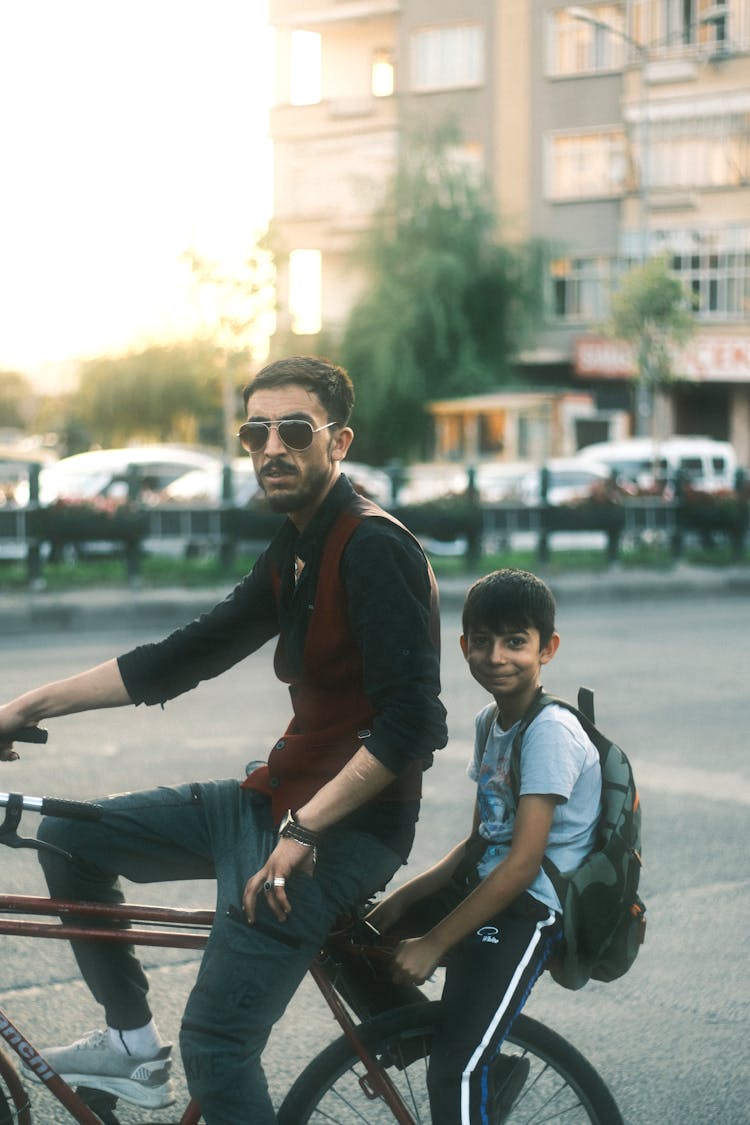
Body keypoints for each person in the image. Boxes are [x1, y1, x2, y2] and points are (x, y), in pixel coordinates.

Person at [0, 355, 447, 1125]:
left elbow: (413, 726)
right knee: (69, 835)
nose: (272, 447)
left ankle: (175, 1051)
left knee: (215, 1043)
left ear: (338, 441)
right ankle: (132, 1046)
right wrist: (26, 705)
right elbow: (187, 654)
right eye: (255, 430)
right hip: (268, 800)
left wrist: (308, 826)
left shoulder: (374, 547)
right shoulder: (299, 544)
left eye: (295, 430)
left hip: (340, 831)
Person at [366, 568, 602, 1125]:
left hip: (529, 906)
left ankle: (471, 1061)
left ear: (548, 649)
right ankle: (433, 1041)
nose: (496, 656)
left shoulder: (549, 732)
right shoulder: (490, 721)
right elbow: (480, 842)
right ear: (464, 645)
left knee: (457, 1070)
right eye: (483, 641)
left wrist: (432, 942)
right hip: (489, 886)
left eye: (516, 642)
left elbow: (520, 864)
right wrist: (401, 903)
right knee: (351, 941)